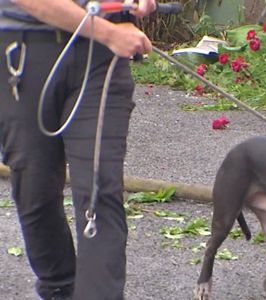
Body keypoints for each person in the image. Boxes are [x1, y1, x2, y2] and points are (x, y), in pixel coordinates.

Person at [0, 1, 156, 299]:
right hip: (22, 54)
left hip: (100, 59)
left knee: (100, 192)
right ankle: (59, 287)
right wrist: (105, 30)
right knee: (35, 190)